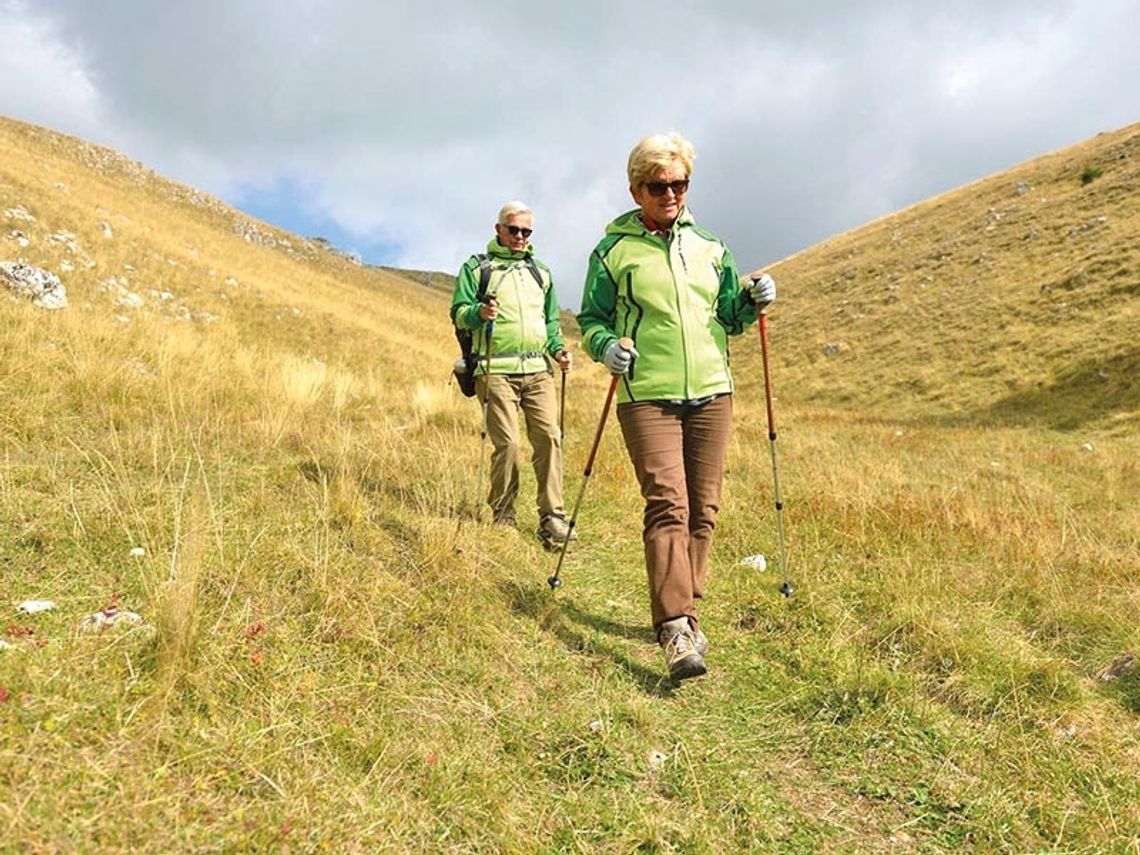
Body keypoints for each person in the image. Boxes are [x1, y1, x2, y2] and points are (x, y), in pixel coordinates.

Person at [577, 133, 776, 680]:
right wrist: (606, 348)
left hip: (713, 390)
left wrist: (754, 298)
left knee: (704, 509)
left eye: (680, 184)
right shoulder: (613, 252)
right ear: (636, 189)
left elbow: (730, 315)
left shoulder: (711, 247)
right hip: (647, 393)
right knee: (668, 503)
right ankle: (674, 628)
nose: (671, 194)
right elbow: (590, 320)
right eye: (658, 185)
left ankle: (686, 609)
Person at [450, 201, 576, 547]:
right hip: (494, 369)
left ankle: (552, 518)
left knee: (550, 437)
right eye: (514, 230)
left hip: (538, 370)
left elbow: (549, 323)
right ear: (498, 230)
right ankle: (503, 515)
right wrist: (479, 312)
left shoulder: (541, 272)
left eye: (527, 231)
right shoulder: (477, 270)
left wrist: (559, 351)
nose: (521, 237)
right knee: (508, 443)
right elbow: (459, 313)